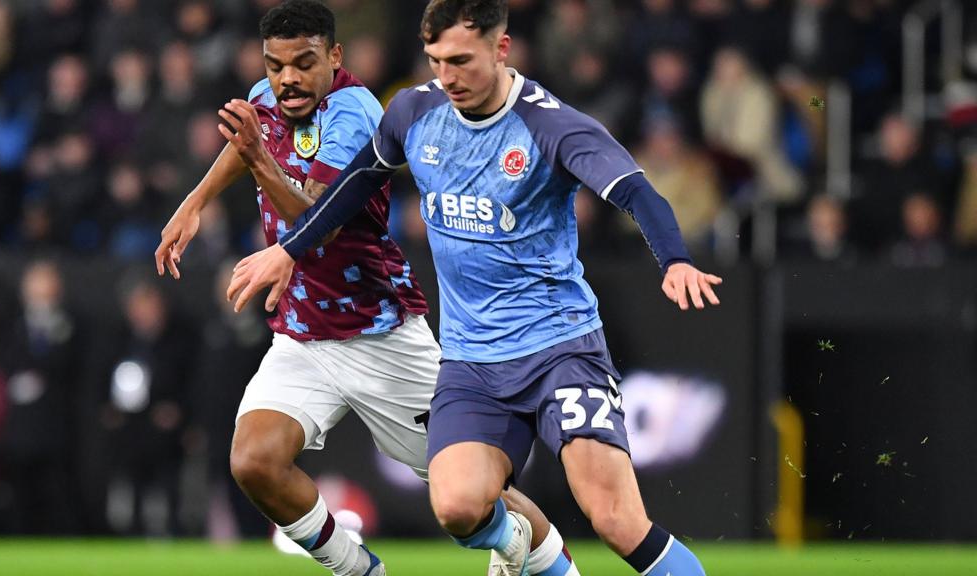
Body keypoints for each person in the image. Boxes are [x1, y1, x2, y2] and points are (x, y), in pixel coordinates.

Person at [226, 1, 722, 575]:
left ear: (501, 48)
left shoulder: (549, 123)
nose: (448, 77)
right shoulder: (413, 111)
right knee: (459, 508)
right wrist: (286, 251)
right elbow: (354, 185)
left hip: (560, 350)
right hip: (472, 363)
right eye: (436, 60)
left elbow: (636, 191)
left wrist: (675, 259)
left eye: (461, 60)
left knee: (614, 520)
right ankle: (537, 562)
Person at [155, 2, 578, 575]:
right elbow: (247, 138)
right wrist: (194, 203)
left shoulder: (354, 113)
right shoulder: (267, 97)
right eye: (276, 65)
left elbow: (318, 218)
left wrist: (259, 158)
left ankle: (551, 566)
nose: (288, 79)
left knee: (474, 493)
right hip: (304, 334)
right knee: (254, 461)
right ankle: (359, 570)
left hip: (380, 334)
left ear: (334, 56)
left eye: (303, 63)